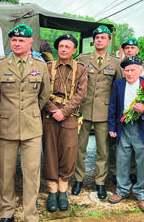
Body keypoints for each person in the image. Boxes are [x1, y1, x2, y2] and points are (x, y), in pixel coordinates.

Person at [0, 24, 50, 222]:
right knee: (6, 174)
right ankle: (7, 213)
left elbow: (44, 96)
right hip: (7, 126)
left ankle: (30, 214)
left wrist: (30, 113)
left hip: (32, 128)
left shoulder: (40, 65)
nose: (17, 43)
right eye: (14, 40)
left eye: (21, 40)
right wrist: (8, 113)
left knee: (32, 174)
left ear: (30, 42)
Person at [72, 25, 122, 199]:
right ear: (93, 41)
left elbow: (118, 89)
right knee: (80, 149)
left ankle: (100, 182)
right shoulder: (83, 59)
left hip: (104, 112)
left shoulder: (115, 62)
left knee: (103, 150)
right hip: (83, 111)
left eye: (103, 37)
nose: (99, 40)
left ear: (108, 41)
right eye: (97, 37)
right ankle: (78, 179)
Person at [42, 34, 87, 212]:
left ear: (74, 50)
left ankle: (63, 191)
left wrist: (64, 111)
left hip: (70, 116)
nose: (64, 49)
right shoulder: (48, 67)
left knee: (68, 153)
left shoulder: (81, 69)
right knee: (50, 152)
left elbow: (81, 94)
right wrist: (54, 110)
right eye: (61, 46)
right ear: (57, 48)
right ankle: (52, 192)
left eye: (68, 47)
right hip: (49, 115)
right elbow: (42, 92)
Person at [107, 56, 144, 213]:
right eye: (126, 70)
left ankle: (142, 195)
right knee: (122, 160)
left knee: (143, 163)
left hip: (143, 128)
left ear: (140, 71)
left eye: (133, 70)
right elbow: (113, 106)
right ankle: (121, 190)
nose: (129, 73)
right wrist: (111, 127)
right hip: (124, 127)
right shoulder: (118, 84)